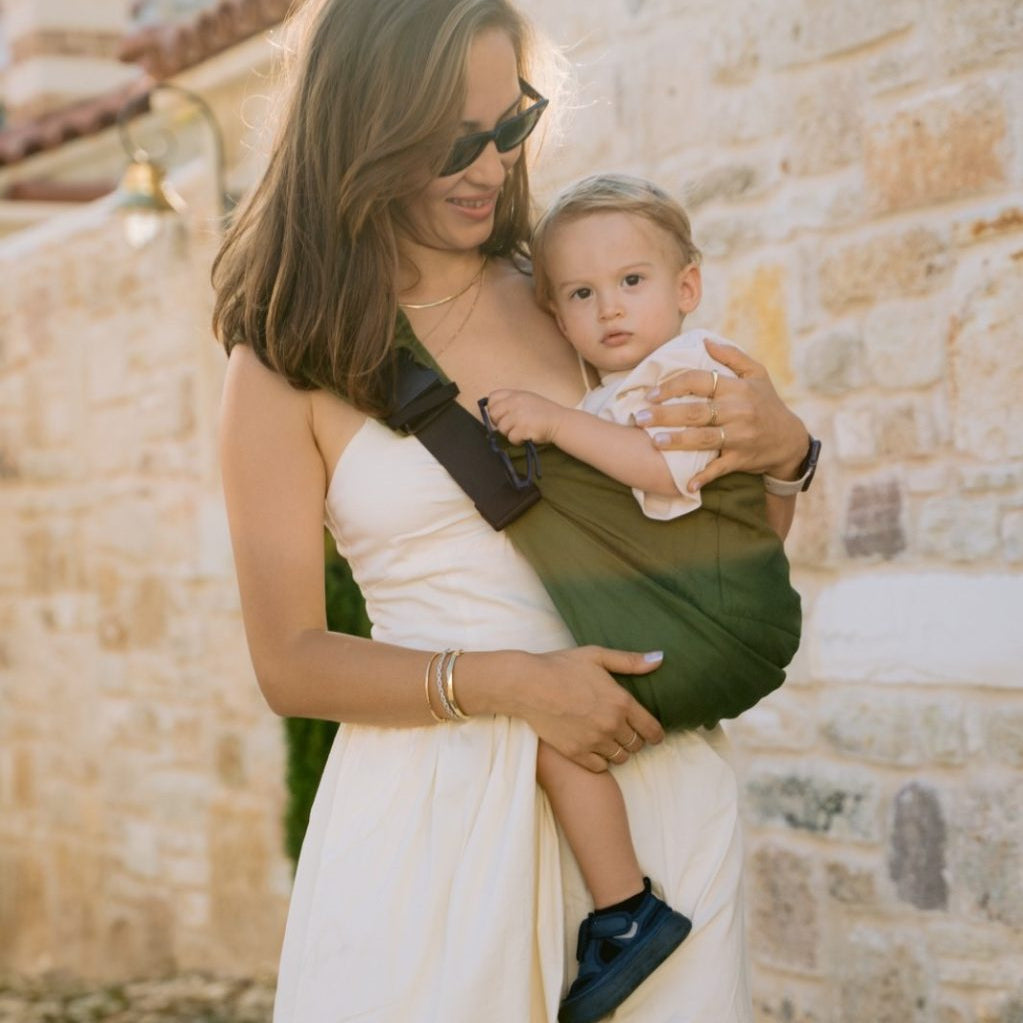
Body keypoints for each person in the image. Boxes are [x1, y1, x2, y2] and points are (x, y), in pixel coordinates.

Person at [212, 1, 815, 1020]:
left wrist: (788, 459)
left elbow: (708, 556)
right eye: (452, 139)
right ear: (360, 126)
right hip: (435, 824)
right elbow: (289, 661)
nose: (490, 169)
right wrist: (516, 685)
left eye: (509, 126)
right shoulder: (284, 362)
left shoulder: (575, 300)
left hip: (648, 801)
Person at [483, 172, 802, 1022]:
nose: (608, 308)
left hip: (709, 632)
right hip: (705, 613)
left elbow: (664, 473)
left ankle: (626, 911)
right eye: (581, 293)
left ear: (685, 287)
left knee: (556, 740)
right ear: (555, 314)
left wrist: (552, 423)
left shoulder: (685, 370)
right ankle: (623, 909)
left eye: (631, 281)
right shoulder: (621, 386)